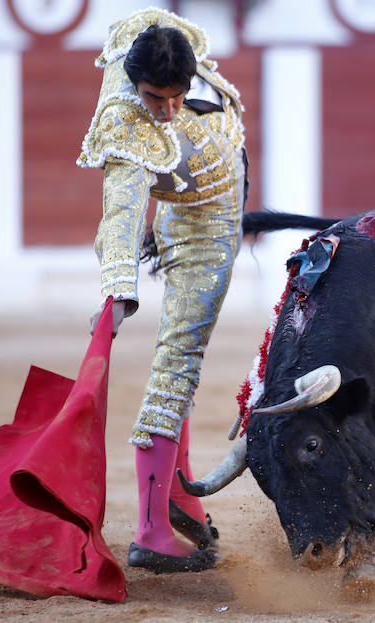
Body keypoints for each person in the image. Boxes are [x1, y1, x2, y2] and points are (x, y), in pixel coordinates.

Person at [77, 7, 248, 574]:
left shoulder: (151, 41)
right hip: (203, 234)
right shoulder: (126, 128)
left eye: (177, 97)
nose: (168, 110)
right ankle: (151, 530)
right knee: (177, 365)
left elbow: (149, 24)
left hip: (194, 214)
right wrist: (117, 291)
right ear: (135, 84)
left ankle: (176, 497)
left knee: (184, 368)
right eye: (156, 99)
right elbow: (121, 210)